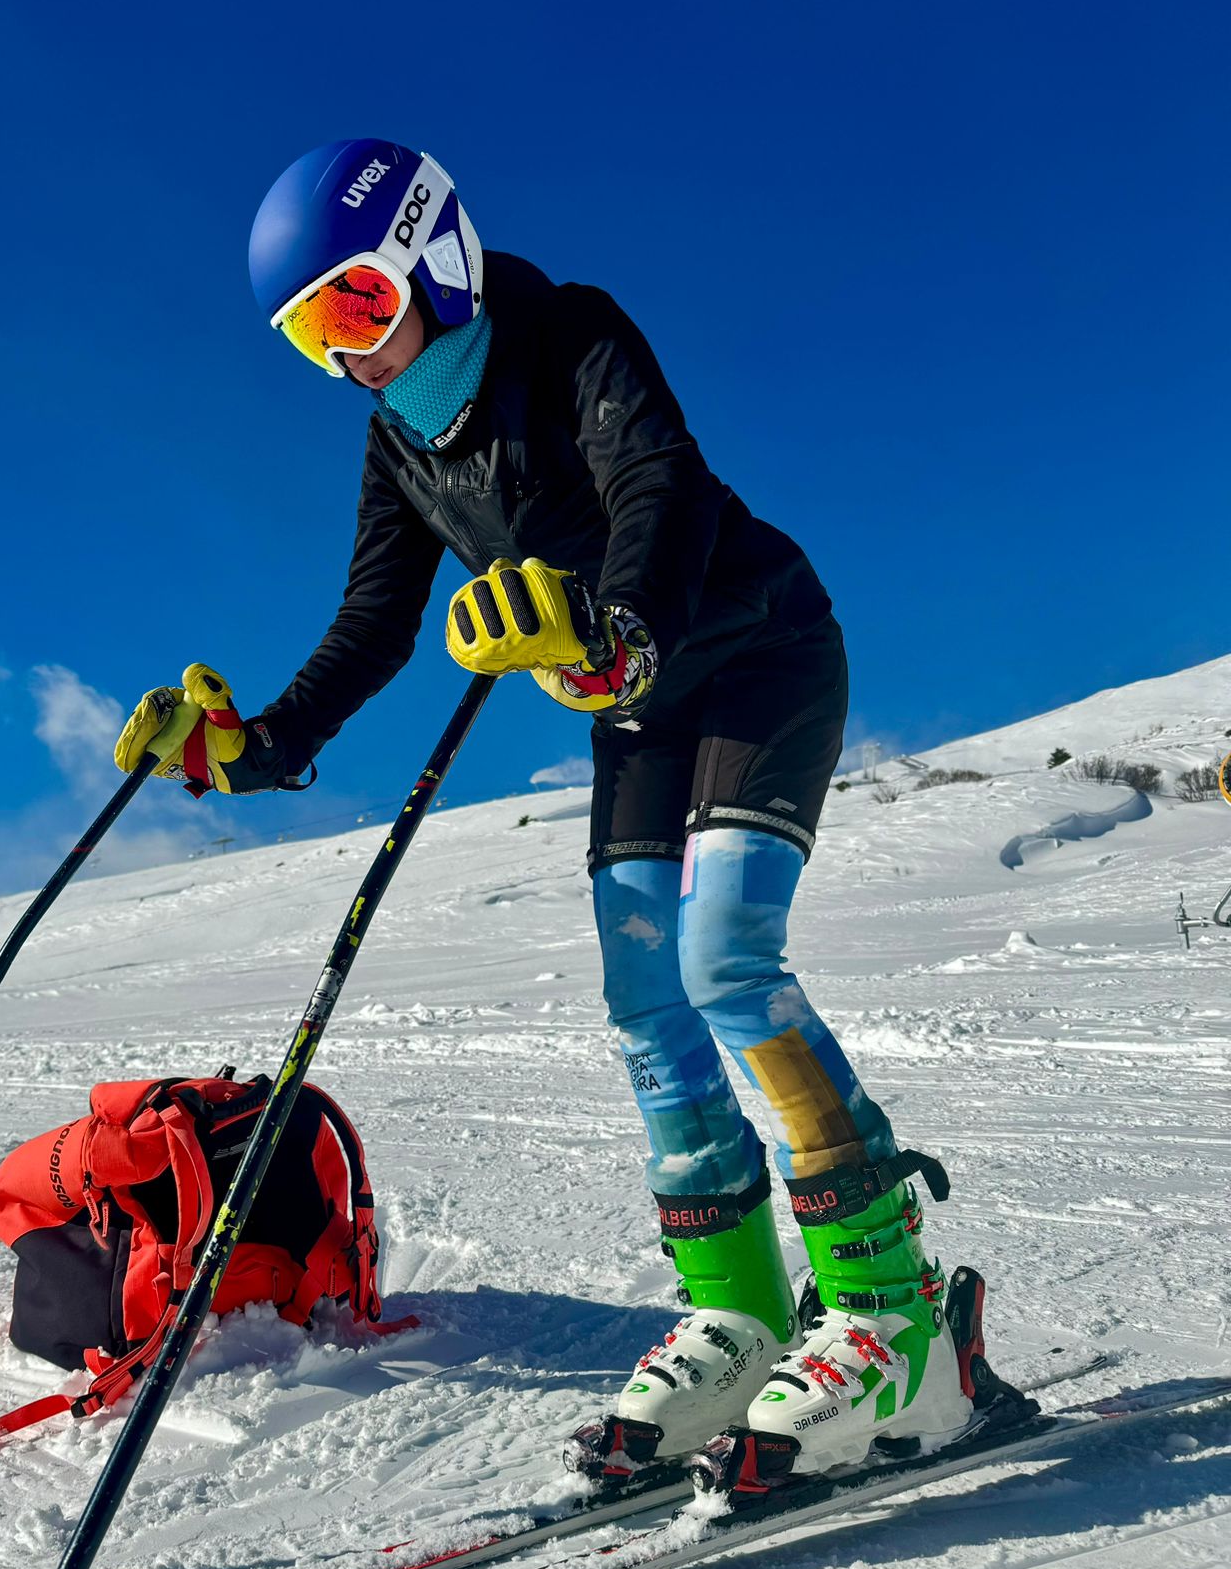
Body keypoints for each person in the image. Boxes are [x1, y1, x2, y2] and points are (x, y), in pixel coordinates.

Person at [113, 138, 981, 1485]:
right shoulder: (397, 439)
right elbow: (373, 622)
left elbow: (662, 486)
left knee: (727, 966)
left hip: (755, 652)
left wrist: (618, 628)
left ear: (434, 259)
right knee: (647, 1005)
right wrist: (253, 748)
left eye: (357, 307)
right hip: (631, 705)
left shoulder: (567, 331)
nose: (350, 357)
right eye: (310, 337)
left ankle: (893, 1322)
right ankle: (745, 1318)